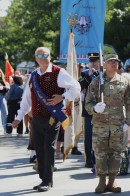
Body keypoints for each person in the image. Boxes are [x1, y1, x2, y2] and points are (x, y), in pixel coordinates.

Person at [12, 47, 80, 192]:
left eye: (46, 55)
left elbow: (76, 87)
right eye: (40, 55)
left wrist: (62, 97)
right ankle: (43, 178)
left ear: (50, 56)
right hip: (36, 118)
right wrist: (18, 118)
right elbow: (26, 100)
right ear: (36, 58)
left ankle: (48, 181)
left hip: (52, 117)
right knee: (39, 149)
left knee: (48, 148)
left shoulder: (58, 72)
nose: (43, 57)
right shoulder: (32, 76)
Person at [85, 54, 130, 193]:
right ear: (104, 65)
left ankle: (112, 181)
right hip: (100, 125)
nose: (114, 64)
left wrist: (127, 122)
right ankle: (101, 181)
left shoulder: (124, 82)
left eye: (116, 62)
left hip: (117, 125)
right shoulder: (96, 82)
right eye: (110, 62)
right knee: (100, 154)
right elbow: (87, 103)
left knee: (116, 154)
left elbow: (129, 104)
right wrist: (94, 108)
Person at [78, 52, 100, 167]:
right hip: (88, 108)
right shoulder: (85, 73)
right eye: (91, 61)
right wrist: (88, 76)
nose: (93, 63)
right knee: (88, 135)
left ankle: (98, 157)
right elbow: (80, 86)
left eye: (95, 61)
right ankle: (89, 159)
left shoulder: (103, 73)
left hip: (101, 107)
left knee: (100, 134)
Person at [0, 69, 10, 134]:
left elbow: (7, 89)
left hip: (2, 97)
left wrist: (4, 88)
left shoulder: (3, 81)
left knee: (5, 113)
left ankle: (5, 128)